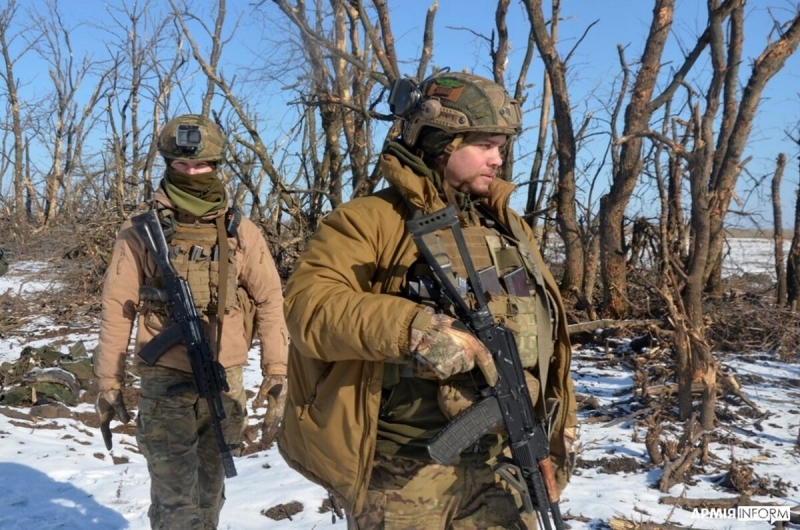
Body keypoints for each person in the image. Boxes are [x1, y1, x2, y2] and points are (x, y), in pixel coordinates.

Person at [279, 71, 577, 529]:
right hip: (402, 472)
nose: (498, 159)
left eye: (501, 146)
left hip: (504, 464)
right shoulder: (370, 220)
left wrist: (551, 448)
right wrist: (414, 329)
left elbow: (546, 342)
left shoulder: (508, 226)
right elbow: (309, 308)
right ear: (440, 142)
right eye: (484, 145)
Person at [93, 114, 288, 530]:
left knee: (211, 494)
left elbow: (270, 300)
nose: (192, 173)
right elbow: (117, 308)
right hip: (165, 384)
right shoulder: (140, 231)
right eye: (182, 166)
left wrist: (277, 371)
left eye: (201, 165)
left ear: (216, 166)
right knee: (174, 503)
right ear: (168, 164)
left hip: (225, 378)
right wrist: (109, 383)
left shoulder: (241, 230)